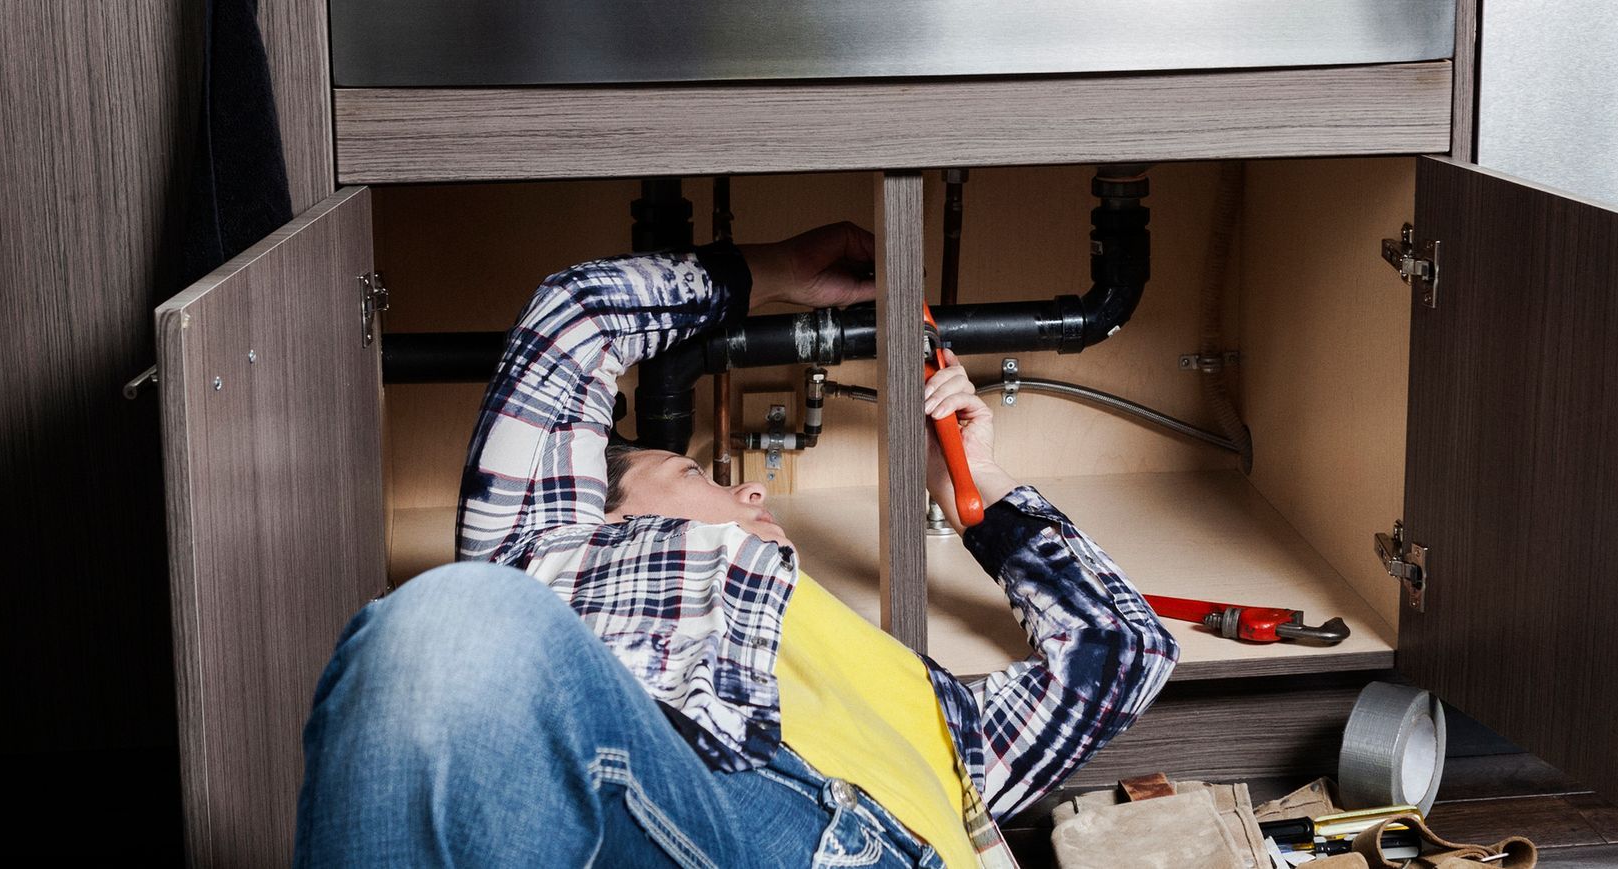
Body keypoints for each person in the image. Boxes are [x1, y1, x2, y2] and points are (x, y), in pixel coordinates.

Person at [294, 222, 1178, 868]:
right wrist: (777, 269)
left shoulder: (947, 721)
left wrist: (979, 495)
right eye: (695, 471)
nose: (750, 485)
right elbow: (578, 321)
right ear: (598, 517)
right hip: (695, 801)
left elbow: (1125, 649)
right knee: (441, 627)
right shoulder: (542, 552)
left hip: (898, 851)